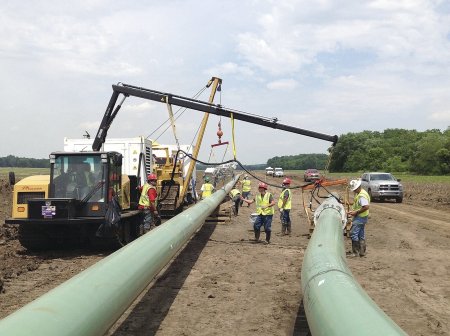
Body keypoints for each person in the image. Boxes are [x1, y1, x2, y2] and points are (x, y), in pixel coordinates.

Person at [347, 179, 370, 257]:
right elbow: (359, 204)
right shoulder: (361, 192)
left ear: (357, 187)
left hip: (360, 217)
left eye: (354, 189)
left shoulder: (361, 196)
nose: (353, 191)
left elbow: (366, 206)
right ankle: (362, 251)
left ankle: (355, 252)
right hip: (363, 217)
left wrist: (355, 212)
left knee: (353, 233)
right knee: (360, 234)